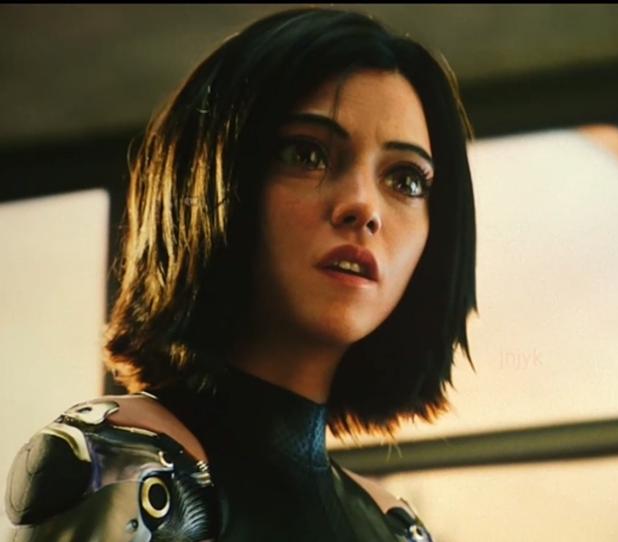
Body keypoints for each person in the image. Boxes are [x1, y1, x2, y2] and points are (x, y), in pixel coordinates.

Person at [4, 7, 476, 541]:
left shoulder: (394, 527)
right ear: (211, 176)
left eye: (406, 180)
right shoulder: (126, 467)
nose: (363, 206)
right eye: (307, 153)